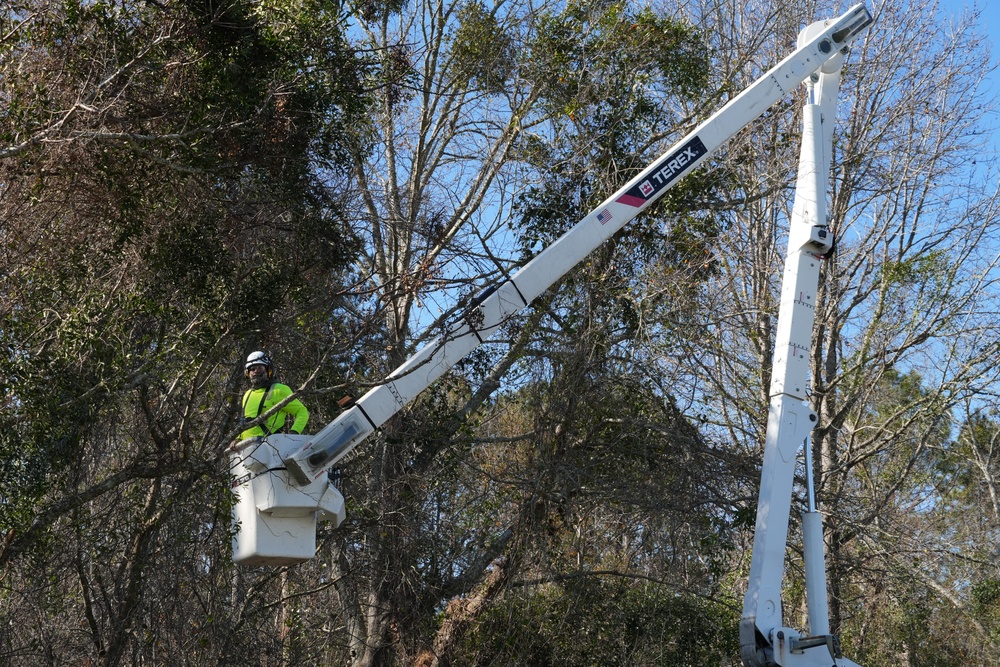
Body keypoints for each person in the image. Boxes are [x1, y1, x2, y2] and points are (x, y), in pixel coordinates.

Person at [238, 351, 309, 442]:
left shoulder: (279, 389)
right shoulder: (247, 394)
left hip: (272, 446)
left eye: (260, 367)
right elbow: (244, 421)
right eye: (252, 368)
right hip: (246, 447)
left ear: (268, 370)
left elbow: (302, 412)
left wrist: (294, 433)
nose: (256, 371)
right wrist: (238, 438)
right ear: (247, 372)